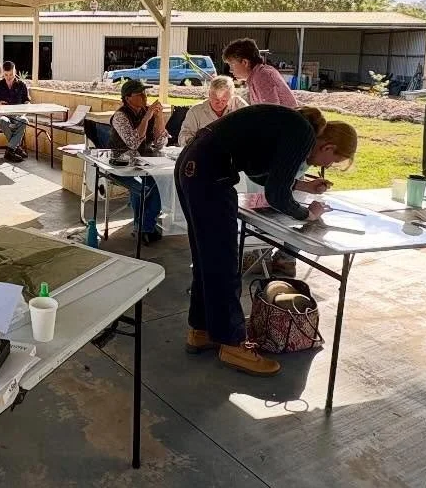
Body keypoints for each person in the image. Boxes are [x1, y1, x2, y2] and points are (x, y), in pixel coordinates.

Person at [175, 106, 356, 376]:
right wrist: (308, 213)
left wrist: (302, 186)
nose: (324, 167)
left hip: (193, 166)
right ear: (328, 146)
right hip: (210, 174)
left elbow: (260, 174)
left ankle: (202, 329)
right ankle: (232, 343)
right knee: (223, 263)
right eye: (330, 161)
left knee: (207, 258)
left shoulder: (290, 126)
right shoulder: (303, 133)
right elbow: (275, 194)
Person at [108, 78, 169, 243]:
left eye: (145, 92)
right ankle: (145, 227)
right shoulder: (120, 116)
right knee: (144, 188)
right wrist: (146, 119)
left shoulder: (146, 112)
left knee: (163, 183)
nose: (144, 96)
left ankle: (143, 227)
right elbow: (133, 144)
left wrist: (159, 118)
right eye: (140, 94)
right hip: (122, 165)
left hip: (145, 163)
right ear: (128, 98)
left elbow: (160, 143)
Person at [223, 38, 297, 108]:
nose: (230, 70)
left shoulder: (262, 76)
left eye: (231, 65)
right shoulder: (258, 74)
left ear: (245, 62)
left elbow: (271, 113)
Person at [178, 74, 246, 145]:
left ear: (231, 96)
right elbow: (183, 136)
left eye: (224, 100)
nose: (220, 104)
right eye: (216, 100)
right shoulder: (196, 111)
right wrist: (196, 143)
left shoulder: (238, 105)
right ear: (209, 95)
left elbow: (253, 124)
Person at [0, 60, 30, 162]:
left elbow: (27, 101)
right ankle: (16, 148)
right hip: (2, 115)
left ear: (15, 71)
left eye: (11, 74)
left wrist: (25, 107)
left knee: (24, 121)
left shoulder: (22, 85)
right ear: (3, 73)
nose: (8, 77)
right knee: (3, 121)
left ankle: (10, 150)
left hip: (17, 115)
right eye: (6, 75)